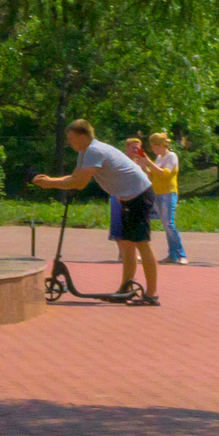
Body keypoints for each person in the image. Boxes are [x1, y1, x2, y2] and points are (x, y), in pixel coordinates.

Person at [33, 119, 161, 303]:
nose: (69, 142)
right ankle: (125, 289)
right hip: (129, 196)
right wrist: (52, 181)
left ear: (83, 136)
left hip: (139, 195)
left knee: (141, 243)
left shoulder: (93, 151)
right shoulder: (85, 152)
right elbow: (76, 177)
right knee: (126, 243)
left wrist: (50, 183)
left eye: (71, 138)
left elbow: (80, 183)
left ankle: (151, 294)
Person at [147, 130, 186, 265]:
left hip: (169, 193)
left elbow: (166, 174)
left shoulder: (172, 156)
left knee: (169, 223)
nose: (152, 149)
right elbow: (152, 175)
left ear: (160, 145)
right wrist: (144, 166)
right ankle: (172, 254)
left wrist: (149, 163)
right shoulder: (158, 159)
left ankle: (181, 254)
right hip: (157, 193)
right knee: (165, 224)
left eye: (153, 146)